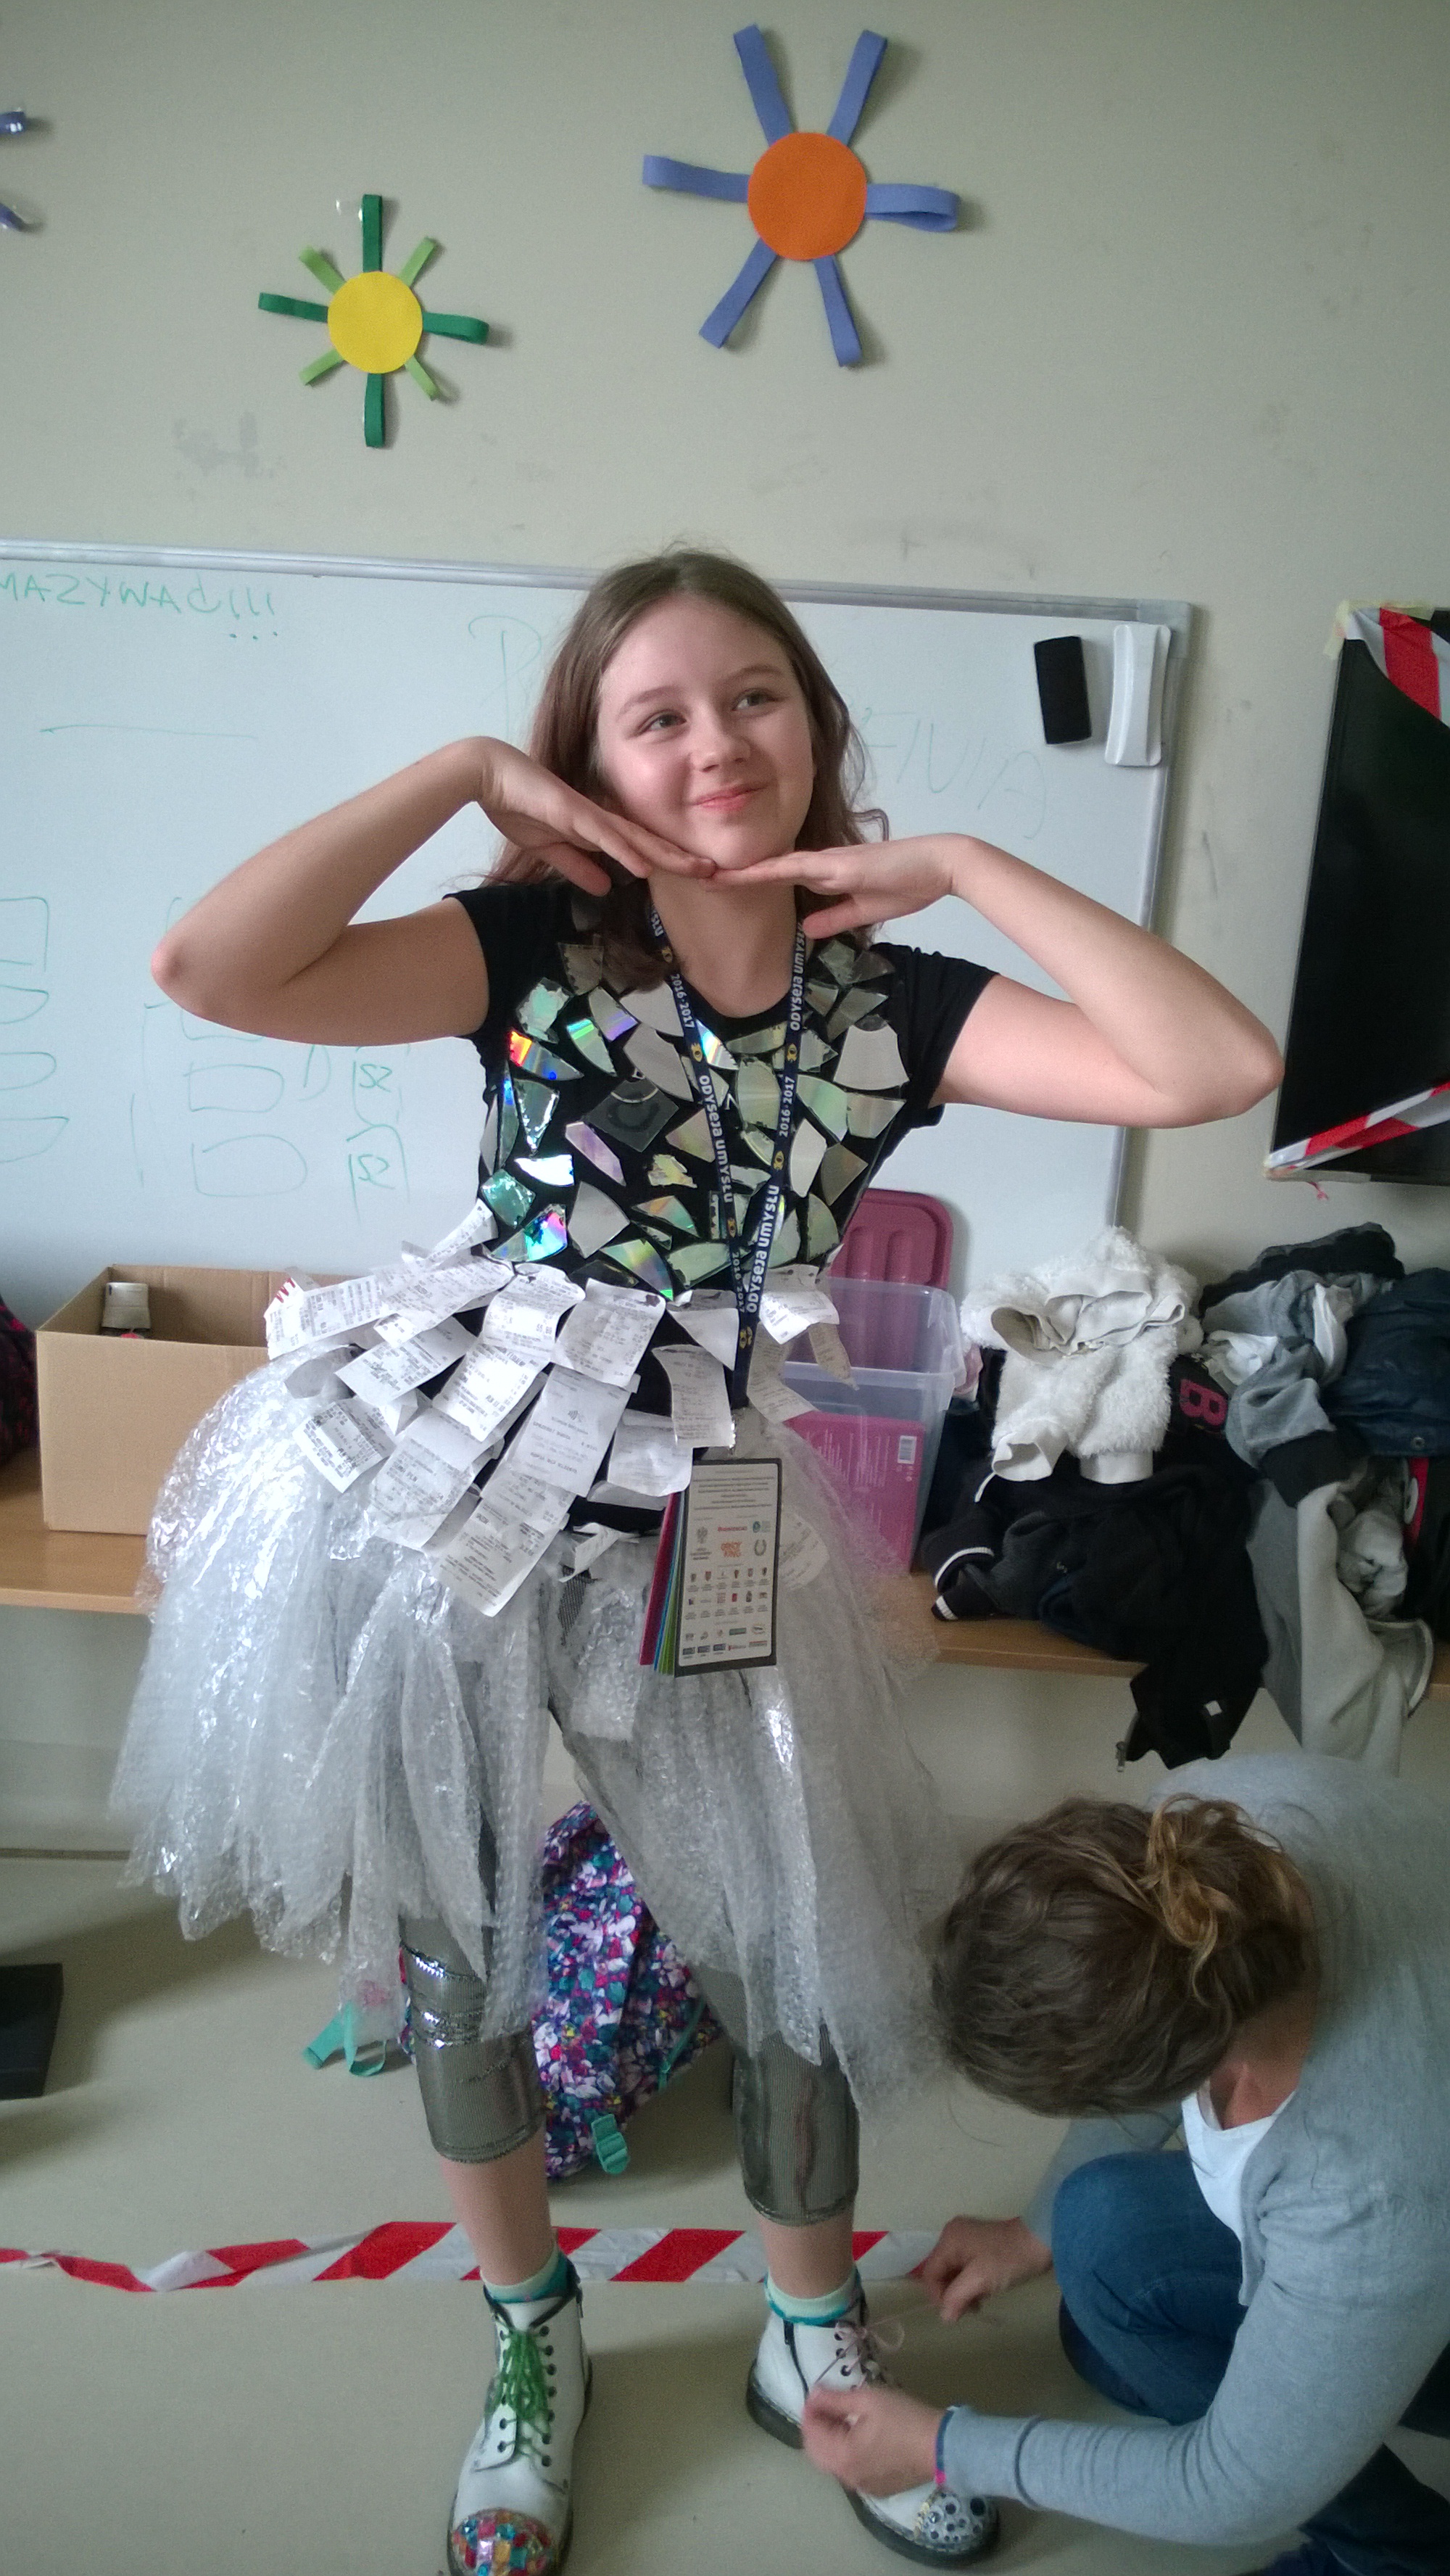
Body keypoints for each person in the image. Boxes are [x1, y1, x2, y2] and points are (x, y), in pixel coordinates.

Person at [113, 549, 1280, 2576]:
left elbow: (1212, 1067)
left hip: (706, 1513)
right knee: (460, 1961)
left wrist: (970, 864)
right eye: (651, 715)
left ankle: (806, 2330)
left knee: (792, 1948)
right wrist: (462, 771)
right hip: (448, 1498)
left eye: (754, 695)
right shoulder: (529, 945)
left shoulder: (895, 1003)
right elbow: (210, 968)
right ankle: (531, 2333)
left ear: (814, 722)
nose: (714, 742)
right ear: (588, 763)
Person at [803, 1754, 1450, 2576]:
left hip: (1417, 2246)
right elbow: (1172, 2000)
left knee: (1137, 2317)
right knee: (1101, 2291)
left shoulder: (1363, 2189)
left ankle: (1404, 2558)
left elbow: (1233, 2490)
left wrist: (943, 2450)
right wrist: (1032, 2230)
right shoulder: (1202, 1830)